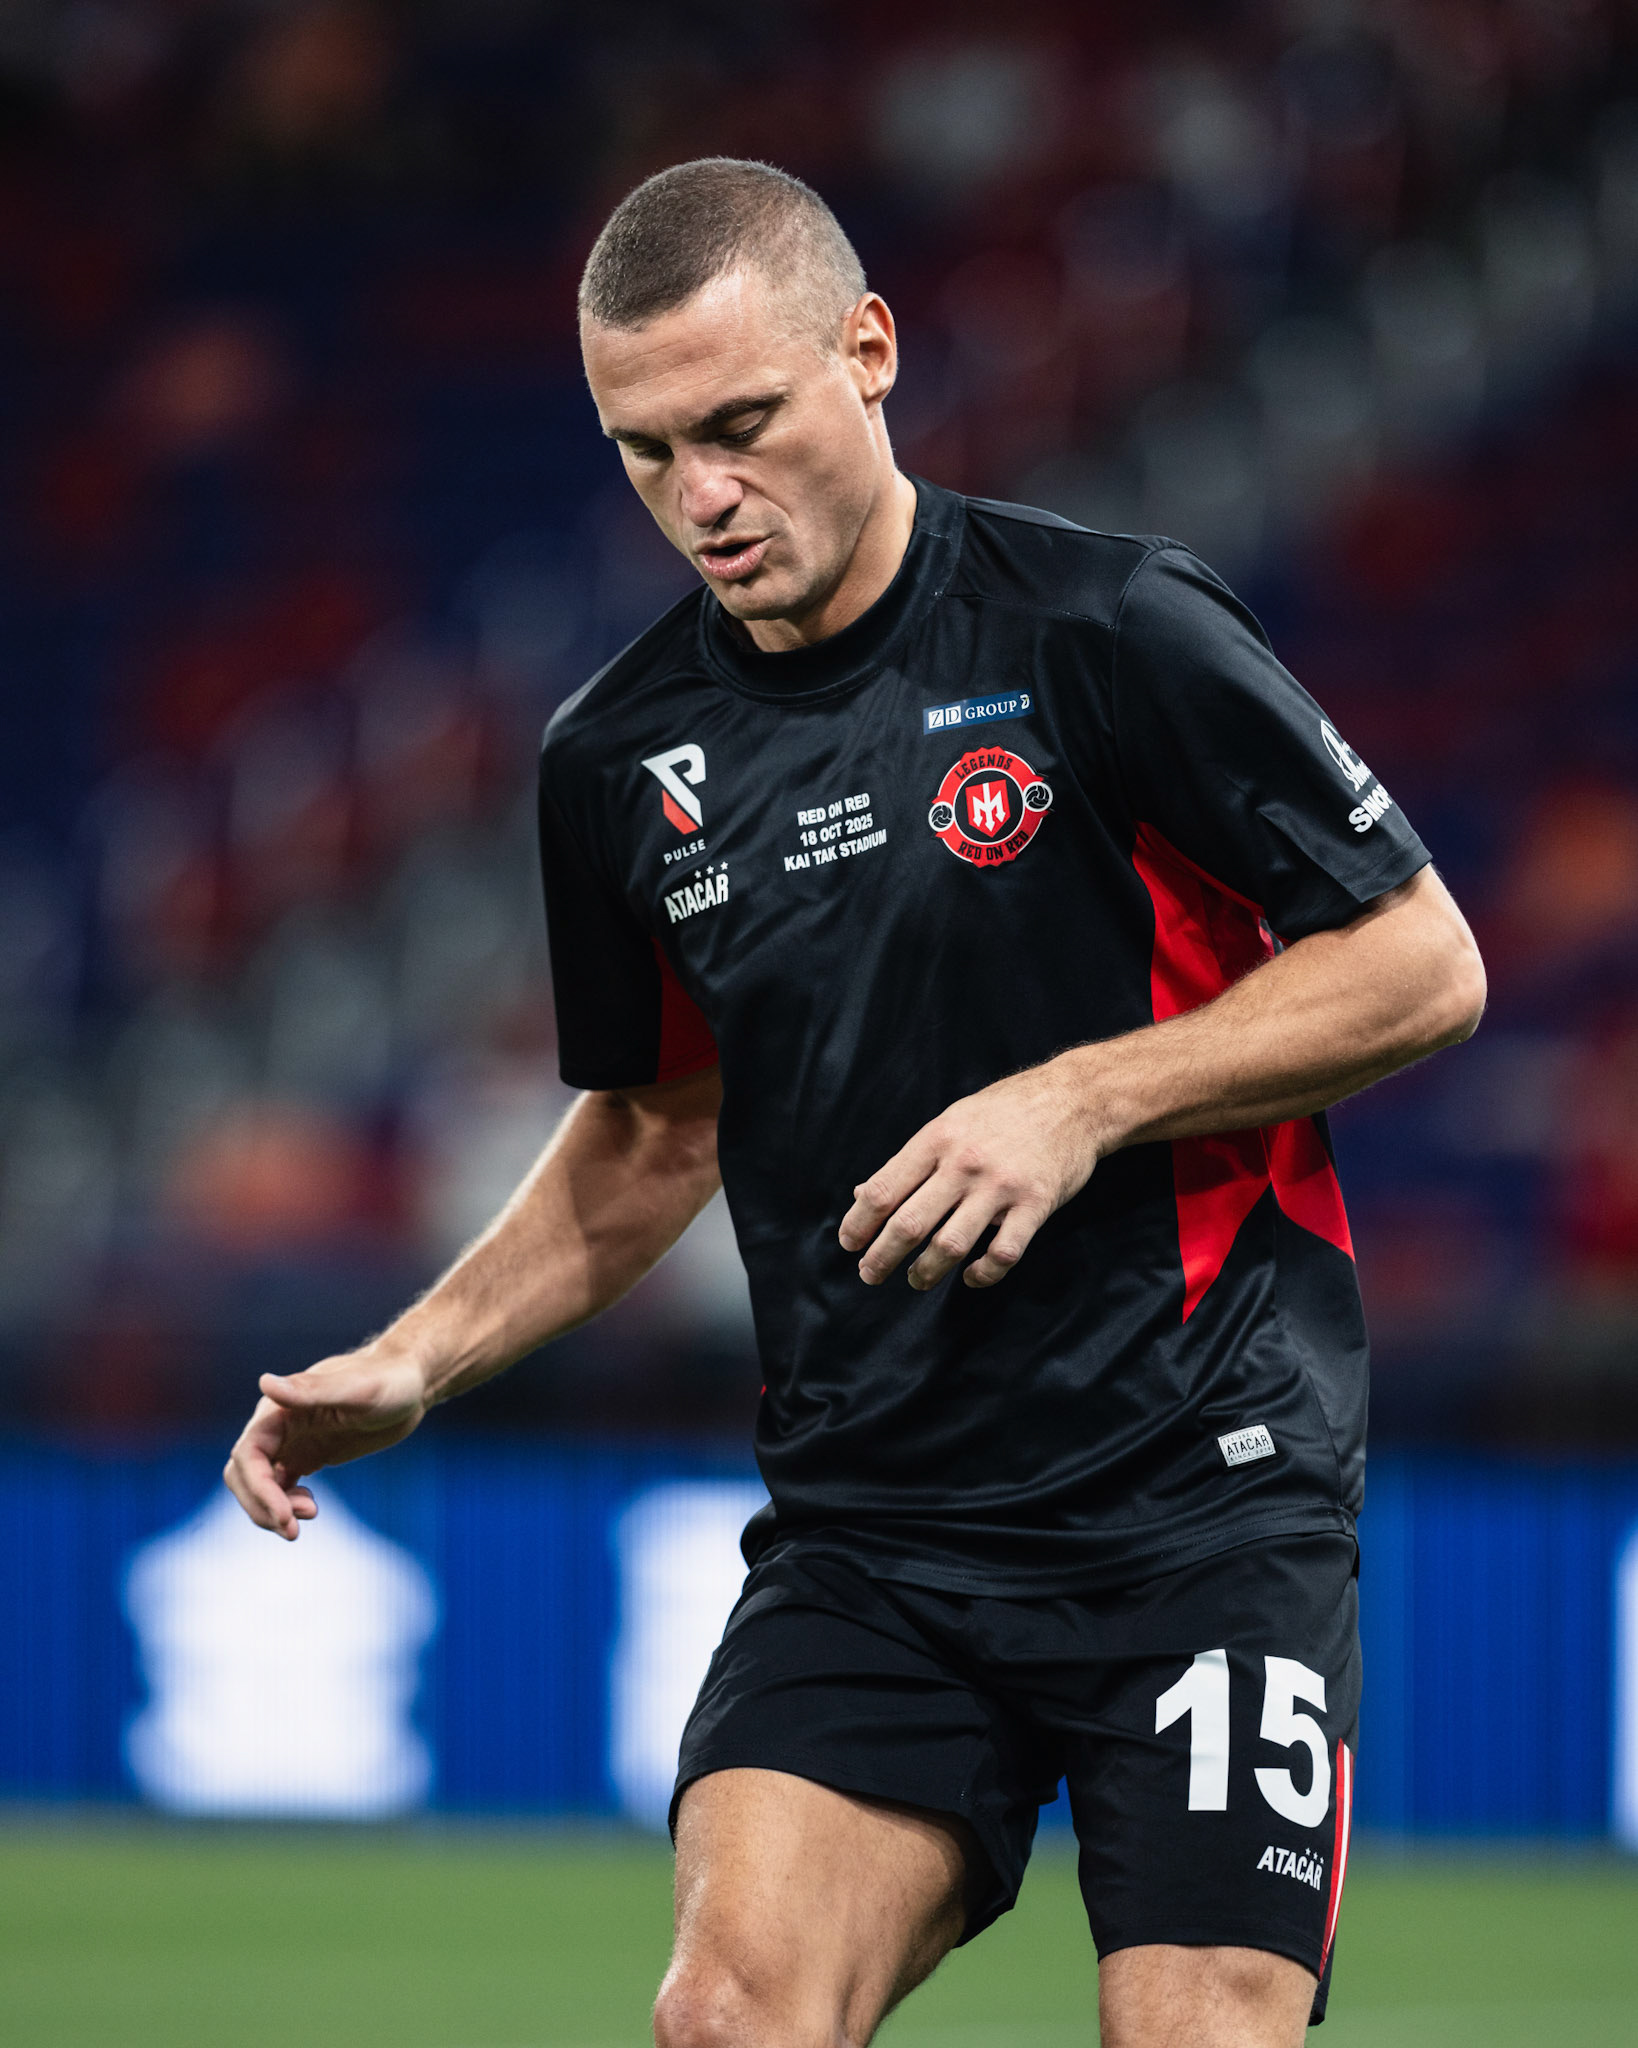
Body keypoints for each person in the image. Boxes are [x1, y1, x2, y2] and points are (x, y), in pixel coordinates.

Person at [225, 158, 1487, 2048]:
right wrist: (418, 1361)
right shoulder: (616, 761)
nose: (702, 498)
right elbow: (651, 1131)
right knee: (727, 2018)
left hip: (1199, 1501)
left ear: (868, 351)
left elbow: (1421, 963)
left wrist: (1075, 1101)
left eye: (738, 424)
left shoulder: (1104, 629)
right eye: (646, 454)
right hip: (876, 1532)